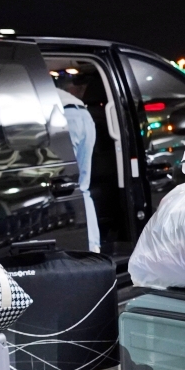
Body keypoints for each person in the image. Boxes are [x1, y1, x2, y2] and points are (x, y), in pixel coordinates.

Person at [56, 81, 101, 252]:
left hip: (66, 116)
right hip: (84, 115)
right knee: (83, 187)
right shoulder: (56, 91)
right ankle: (93, 246)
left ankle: (71, 243)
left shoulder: (31, 90)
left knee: (64, 184)